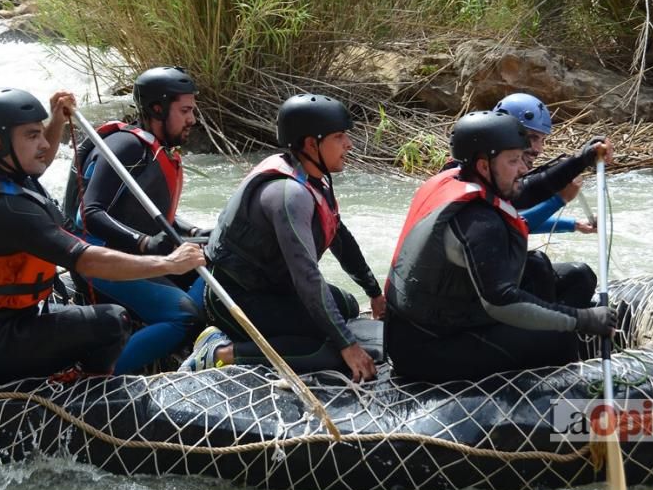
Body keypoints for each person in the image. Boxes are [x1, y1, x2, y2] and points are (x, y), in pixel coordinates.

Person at [0, 87, 206, 383]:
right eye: (31, 135)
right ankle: (86, 389)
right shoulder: (7, 211)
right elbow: (87, 261)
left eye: (41, 133)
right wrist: (169, 263)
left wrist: (56, 121)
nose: (43, 144)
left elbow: (37, 164)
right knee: (112, 322)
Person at [383, 110, 616, 383]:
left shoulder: (462, 176)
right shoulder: (477, 223)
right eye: (514, 160)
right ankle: (551, 397)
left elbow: (529, 189)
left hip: (453, 313)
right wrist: (583, 319)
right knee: (558, 339)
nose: (524, 168)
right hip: (428, 346)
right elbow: (502, 303)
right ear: (484, 166)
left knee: (568, 273)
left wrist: (583, 159)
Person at [185, 93, 385, 382]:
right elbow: (307, 276)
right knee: (331, 354)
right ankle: (218, 351)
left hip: (273, 288)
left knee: (347, 305)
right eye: (339, 137)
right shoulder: (287, 193)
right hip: (234, 298)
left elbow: (338, 235)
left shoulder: (315, 176)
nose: (349, 145)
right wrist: (347, 345)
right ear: (310, 144)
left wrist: (374, 292)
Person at [63, 67, 212, 374]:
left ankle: (180, 338)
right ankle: (101, 379)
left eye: (192, 111)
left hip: (137, 257)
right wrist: (144, 242)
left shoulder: (155, 150)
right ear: (158, 108)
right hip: (101, 262)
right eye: (185, 110)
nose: (192, 120)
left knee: (218, 263)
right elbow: (89, 213)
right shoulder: (125, 146)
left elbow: (147, 211)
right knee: (182, 316)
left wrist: (194, 232)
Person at [495, 92, 606, 309]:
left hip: (494, 274)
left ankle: (567, 331)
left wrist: (573, 225)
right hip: (471, 292)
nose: (538, 149)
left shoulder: (497, 172)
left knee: (581, 275)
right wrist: (560, 199)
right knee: (537, 265)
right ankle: (551, 335)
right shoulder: (477, 175)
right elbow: (514, 226)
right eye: (532, 137)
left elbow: (511, 218)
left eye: (542, 139)